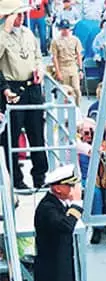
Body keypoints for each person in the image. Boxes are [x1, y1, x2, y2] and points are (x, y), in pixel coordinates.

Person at [0, 6, 49, 189]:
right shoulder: (1, 34)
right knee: (11, 136)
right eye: (16, 14)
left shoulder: (28, 33)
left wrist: (40, 71)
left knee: (37, 134)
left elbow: (37, 57)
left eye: (21, 14)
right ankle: (17, 179)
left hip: (32, 87)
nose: (20, 17)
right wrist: (5, 30)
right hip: (13, 88)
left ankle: (40, 176)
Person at [50, 19, 83, 105]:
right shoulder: (55, 41)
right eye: (63, 28)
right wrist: (58, 72)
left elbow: (79, 55)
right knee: (65, 91)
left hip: (72, 66)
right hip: (63, 67)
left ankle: (77, 108)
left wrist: (80, 69)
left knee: (76, 89)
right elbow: (55, 58)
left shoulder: (75, 40)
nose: (65, 30)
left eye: (67, 28)